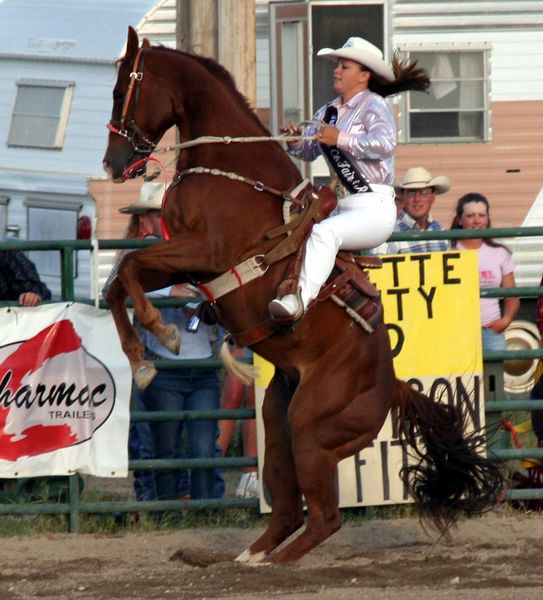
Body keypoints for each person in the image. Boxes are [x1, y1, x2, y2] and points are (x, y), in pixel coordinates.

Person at [269, 36, 430, 320]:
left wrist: (340, 138)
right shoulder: (327, 112)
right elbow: (308, 150)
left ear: (364, 75)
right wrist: (294, 141)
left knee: (324, 233)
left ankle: (298, 302)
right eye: (338, 66)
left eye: (344, 66)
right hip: (344, 206)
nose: (337, 71)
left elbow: (385, 144)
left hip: (374, 207)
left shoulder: (374, 105)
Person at [105, 182, 223, 506]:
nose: (165, 219)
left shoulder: (193, 245)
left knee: (199, 447)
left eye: (168, 213)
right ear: (144, 220)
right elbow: (118, 287)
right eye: (158, 214)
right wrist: (172, 293)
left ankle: (203, 511)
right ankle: (165, 510)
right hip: (166, 366)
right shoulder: (138, 253)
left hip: (200, 364)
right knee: (164, 445)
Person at [451, 192, 519, 351]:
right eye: (470, 215)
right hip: (458, 331)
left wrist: (506, 320)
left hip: (491, 330)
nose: (476, 221)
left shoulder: (500, 253)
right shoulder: (448, 250)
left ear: (487, 219)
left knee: (494, 375)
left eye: (482, 215)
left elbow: (512, 296)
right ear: (460, 219)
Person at [217, 344, 258, 498]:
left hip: (263, 332)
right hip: (236, 332)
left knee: (255, 397)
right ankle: (210, 471)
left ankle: (250, 477)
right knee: (231, 398)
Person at [384, 166, 451, 254]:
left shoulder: (441, 231)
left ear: (433, 197)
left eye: (423, 192)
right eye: (411, 193)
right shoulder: (389, 235)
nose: (417, 199)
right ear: (403, 197)